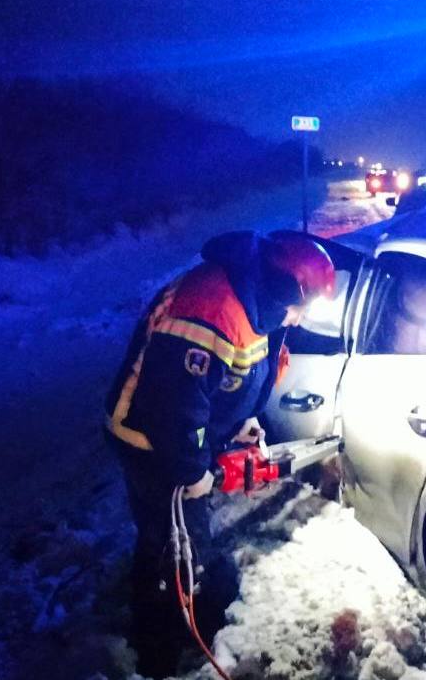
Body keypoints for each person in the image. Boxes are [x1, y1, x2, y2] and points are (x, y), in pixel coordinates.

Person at [104, 230, 335, 677]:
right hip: (148, 440)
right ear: (282, 289)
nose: (299, 320)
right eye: (300, 307)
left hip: (181, 435)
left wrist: (239, 423)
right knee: (181, 545)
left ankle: (162, 616)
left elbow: (232, 379)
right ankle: (163, 651)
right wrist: (193, 473)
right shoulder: (212, 308)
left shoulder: (257, 306)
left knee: (162, 535)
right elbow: (175, 407)